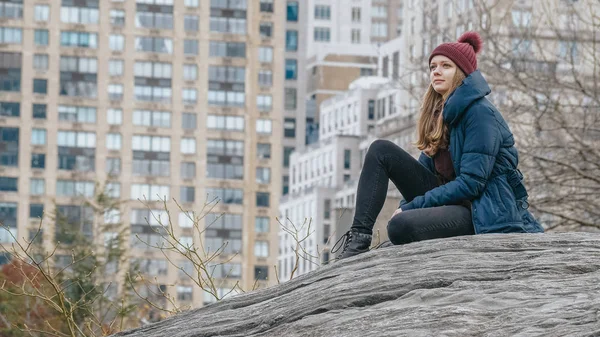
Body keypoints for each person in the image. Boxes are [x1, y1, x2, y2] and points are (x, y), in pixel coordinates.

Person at [332, 31, 544, 261]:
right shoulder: (439, 114)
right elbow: (423, 177)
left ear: (462, 73)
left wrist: (411, 209)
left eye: (446, 66)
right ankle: (358, 240)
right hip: (452, 204)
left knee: (399, 226)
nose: (436, 71)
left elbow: (472, 184)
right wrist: (410, 205)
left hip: (480, 213)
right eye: (433, 66)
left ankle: (393, 232)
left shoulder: (480, 113)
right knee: (380, 150)